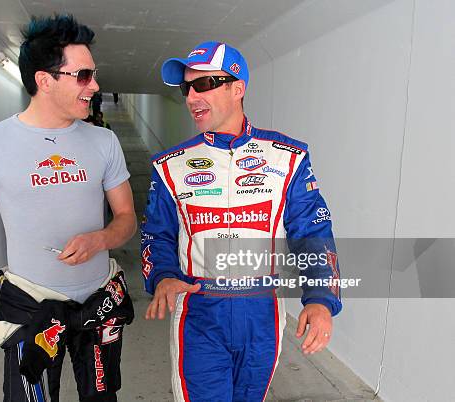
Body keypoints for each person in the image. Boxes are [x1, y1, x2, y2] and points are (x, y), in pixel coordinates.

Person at [0, 14, 137, 402]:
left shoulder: (103, 142)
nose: (95, 85)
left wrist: (100, 239)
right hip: (29, 305)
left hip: (99, 299)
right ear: (45, 80)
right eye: (83, 75)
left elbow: (126, 220)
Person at [140, 41, 342, 402]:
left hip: (263, 309)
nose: (191, 97)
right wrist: (163, 275)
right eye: (187, 87)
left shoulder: (288, 157)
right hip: (199, 309)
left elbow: (312, 233)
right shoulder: (169, 165)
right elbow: (157, 235)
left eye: (203, 84)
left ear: (238, 88)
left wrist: (321, 300)